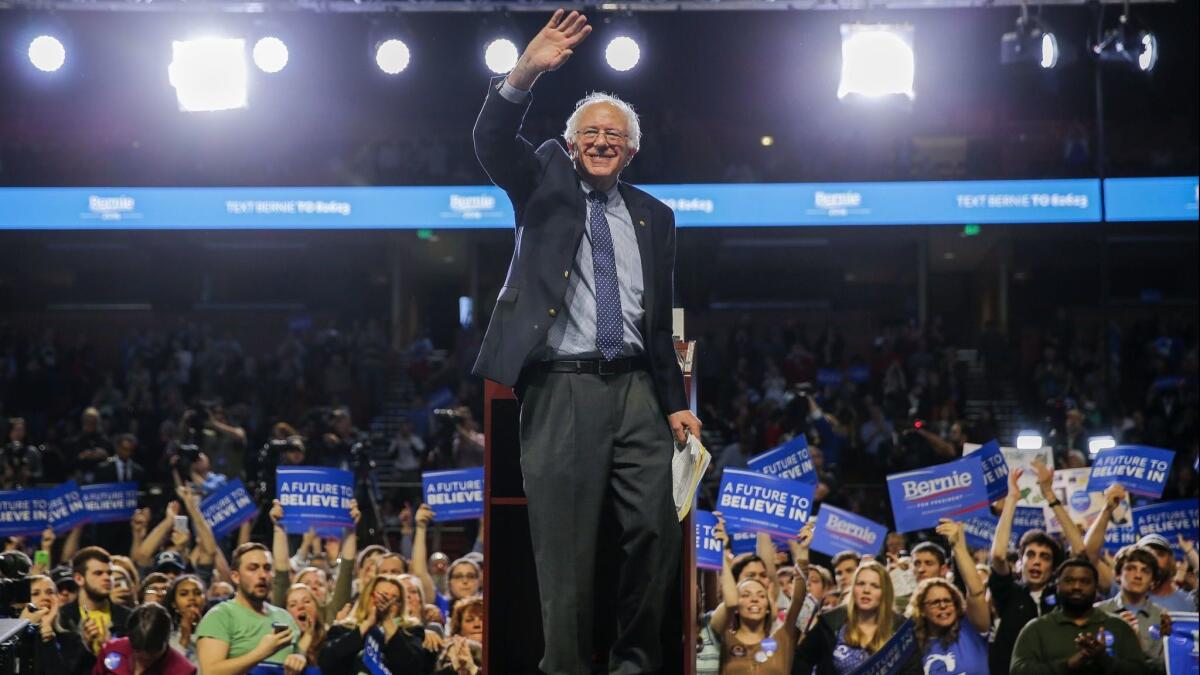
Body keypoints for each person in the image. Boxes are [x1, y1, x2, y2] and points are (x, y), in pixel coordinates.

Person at [470, 10, 701, 675]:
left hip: (637, 389)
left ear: (632, 151)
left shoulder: (657, 216)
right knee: (564, 547)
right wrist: (526, 71)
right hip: (561, 385)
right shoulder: (541, 179)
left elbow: (657, 324)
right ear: (571, 145)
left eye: (615, 135)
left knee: (656, 531)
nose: (602, 141)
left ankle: (634, 663)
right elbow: (490, 139)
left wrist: (675, 400)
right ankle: (565, 667)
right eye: (590, 133)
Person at [988, 466, 1079, 675]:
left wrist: (1049, 495)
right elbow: (998, 556)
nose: (1036, 562)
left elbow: (1080, 550)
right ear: (1020, 562)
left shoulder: (1064, 595)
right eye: (1030, 555)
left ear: (1054, 567)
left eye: (1044, 557)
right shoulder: (1009, 593)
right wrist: (1012, 498)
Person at [1010, 558, 1145, 675]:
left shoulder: (1118, 626)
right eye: (1069, 581)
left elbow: (1140, 671)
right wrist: (1068, 665)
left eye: (1085, 581)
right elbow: (1018, 671)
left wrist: (1103, 660)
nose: (1077, 587)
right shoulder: (1036, 628)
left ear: (1096, 587)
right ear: (1058, 585)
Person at [710, 520, 810, 673]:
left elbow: (798, 600)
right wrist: (720, 551)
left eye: (761, 595)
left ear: (768, 607)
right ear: (737, 606)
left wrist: (802, 556)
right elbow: (728, 602)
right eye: (746, 595)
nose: (754, 599)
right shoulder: (722, 638)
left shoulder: (784, 637)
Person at [195, 542, 304, 675]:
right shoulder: (220, 616)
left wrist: (299, 658)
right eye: (253, 568)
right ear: (235, 576)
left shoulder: (285, 617)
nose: (262, 575)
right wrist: (261, 653)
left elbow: (298, 656)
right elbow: (210, 672)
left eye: (267, 568)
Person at [792, 560, 919, 674]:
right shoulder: (830, 622)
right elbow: (801, 660)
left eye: (875, 586)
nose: (866, 590)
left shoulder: (902, 631)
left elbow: (913, 671)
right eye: (861, 584)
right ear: (853, 589)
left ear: (885, 593)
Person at [906, 519, 991, 675]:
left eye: (947, 601)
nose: (943, 606)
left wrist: (958, 547)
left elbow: (976, 591)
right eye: (935, 603)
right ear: (922, 609)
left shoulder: (970, 628)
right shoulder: (911, 646)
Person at [318, 575, 435, 674]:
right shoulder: (342, 629)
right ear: (367, 598)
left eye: (393, 599)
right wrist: (367, 624)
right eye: (381, 597)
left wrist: (387, 621)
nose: (386, 604)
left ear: (400, 605)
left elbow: (412, 669)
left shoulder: (411, 631)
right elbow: (327, 662)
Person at [57, 546, 132, 675]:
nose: (107, 578)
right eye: (98, 573)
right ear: (79, 578)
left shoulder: (128, 618)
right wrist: (84, 647)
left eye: (109, 573)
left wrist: (110, 649)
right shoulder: (61, 619)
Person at [1094, 545, 1166, 669]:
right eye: (1131, 568)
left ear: (1153, 581)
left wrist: (1138, 645)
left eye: (1145, 571)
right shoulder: (1097, 611)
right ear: (1117, 575)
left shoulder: (1162, 617)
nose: (1138, 575)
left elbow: (1163, 667)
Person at [91, 602, 196, 675]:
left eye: (151, 653)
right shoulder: (111, 649)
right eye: (138, 650)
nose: (144, 658)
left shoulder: (184, 671)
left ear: (166, 639)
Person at [164, 574, 206, 664]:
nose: (191, 598)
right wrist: (184, 638)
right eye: (184, 594)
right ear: (174, 604)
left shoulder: (217, 630)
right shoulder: (166, 637)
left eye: (197, 593)